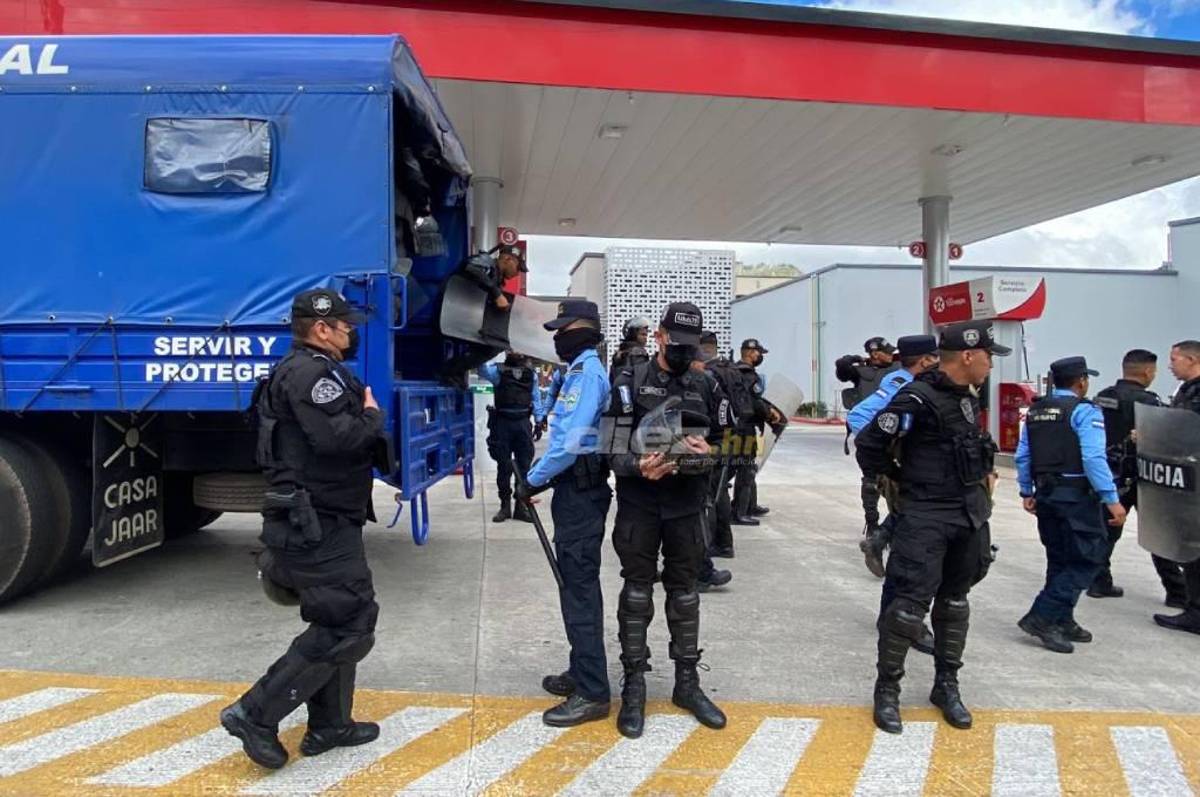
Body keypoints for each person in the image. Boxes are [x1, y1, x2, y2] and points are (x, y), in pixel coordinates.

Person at [221, 289, 387, 770]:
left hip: (322, 516)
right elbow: (338, 438)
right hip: (317, 522)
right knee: (350, 619)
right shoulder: (311, 373)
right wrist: (372, 415)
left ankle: (331, 724)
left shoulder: (308, 369)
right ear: (321, 329)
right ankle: (255, 714)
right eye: (344, 324)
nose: (351, 331)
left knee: (338, 615)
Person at [855, 320, 1006, 735]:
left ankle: (946, 684)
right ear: (970, 356)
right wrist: (902, 481)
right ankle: (887, 690)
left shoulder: (967, 398)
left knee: (955, 603)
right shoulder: (917, 398)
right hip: (927, 516)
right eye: (989, 356)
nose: (992, 364)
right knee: (907, 608)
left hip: (969, 513)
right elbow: (870, 445)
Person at [607, 303, 730, 739]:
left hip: (687, 506)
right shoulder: (630, 380)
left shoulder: (707, 384)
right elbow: (609, 447)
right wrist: (639, 465)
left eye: (691, 346)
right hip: (641, 503)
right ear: (659, 336)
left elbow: (729, 444)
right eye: (676, 343)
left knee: (685, 594)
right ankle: (635, 685)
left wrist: (710, 455)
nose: (683, 352)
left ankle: (686, 683)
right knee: (637, 592)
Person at [519, 302, 614, 726]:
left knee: (578, 588)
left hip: (581, 492)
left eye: (564, 328)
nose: (557, 336)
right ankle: (581, 671)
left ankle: (593, 691)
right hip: (574, 490)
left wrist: (533, 479)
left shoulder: (587, 374)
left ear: (585, 330)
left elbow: (570, 442)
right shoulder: (579, 370)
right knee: (572, 584)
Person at [1015, 357, 1126, 654]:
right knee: (1088, 558)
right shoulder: (1084, 411)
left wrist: (1027, 488)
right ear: (1081, 382)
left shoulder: (1037, 410)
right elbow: (1093, 458)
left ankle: (1062, 619)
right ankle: (1042, 616)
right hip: (1076, 496)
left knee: (1060, 557)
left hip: (1047, 493)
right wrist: (1111, 498)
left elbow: (1023, 454)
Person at [1091, 350, 1183, 603]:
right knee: (1159, 535)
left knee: (1106, 532)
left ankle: (1099, 581)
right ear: (1147, 372)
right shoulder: (1149, 402)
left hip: (1111, 475)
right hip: (1144, 475)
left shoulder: (1102, 397)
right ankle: (1177, 592)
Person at [848, 334, 941, 577]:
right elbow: (859, 415)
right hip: (881, 449)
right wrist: (885, 444)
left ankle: (878, 540)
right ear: (924, 360)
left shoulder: (908, 379)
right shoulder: (903, 382)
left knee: (911, 502)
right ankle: (878, 537)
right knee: (908, 501)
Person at [1153, 339, 1200, 635]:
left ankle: (1196, 612)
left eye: (1175, 359)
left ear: (1193, 359)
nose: (1170, 365)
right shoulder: (1186, 391)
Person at [838, 337, 901, 542]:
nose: (890, 355)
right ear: (874, 353)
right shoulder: (862, 372)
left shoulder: (899, 369)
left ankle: (896, 521)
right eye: (885, 351)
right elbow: (841, 367)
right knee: (870, 480)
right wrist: (854, 359)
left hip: (896, 429)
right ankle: (872, 523)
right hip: (868, 430)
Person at [438, 245, 527, 387]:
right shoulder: (487, 263)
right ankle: (450, 371)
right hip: (449, 312)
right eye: (518, 267)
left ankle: (455, 370)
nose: (518, 273)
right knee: (493, 345)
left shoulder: (497, 278)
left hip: (462, 318)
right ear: (507, 259)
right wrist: (496, 293)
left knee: (496, 344)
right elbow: (470, 267)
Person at [689, 333, 733, 592]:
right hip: (700, 455)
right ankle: (702, 571)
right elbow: (726, 418)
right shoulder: (708, 381)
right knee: (700, 512)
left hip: (671, 454)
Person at [478, 352, 542, 524]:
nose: (517, 353)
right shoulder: (497, 372)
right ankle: (505, 506)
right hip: (503, 424)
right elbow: (481, 369)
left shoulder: (530, 375)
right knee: (504, 466)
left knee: (524, 467)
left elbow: (536, 398)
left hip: (522, 423)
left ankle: (520, 506)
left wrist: (539, 421)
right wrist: (485, 349)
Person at [731, 338, 783, 525]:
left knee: (748, 467)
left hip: (737, 426)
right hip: (745, 429)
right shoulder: (749, 375)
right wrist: (771, 414)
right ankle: (739, 512)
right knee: (745, 469)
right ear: (750, 353)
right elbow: (755, 403)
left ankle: (749, 505)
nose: (760, 356)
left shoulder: (733, 371)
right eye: (759, 352)